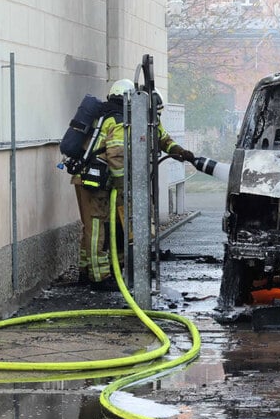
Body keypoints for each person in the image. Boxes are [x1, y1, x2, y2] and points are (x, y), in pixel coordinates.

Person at [71, 79, 193, 291]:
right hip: (94, 181)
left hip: (98, 180)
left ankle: (88, 270)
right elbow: (117, 157)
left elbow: (162, 137)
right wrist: (123, 189)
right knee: (97, 228)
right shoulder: (118, 121)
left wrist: (179, 151)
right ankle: (97, 277)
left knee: (102, 227)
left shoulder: (131, 118)